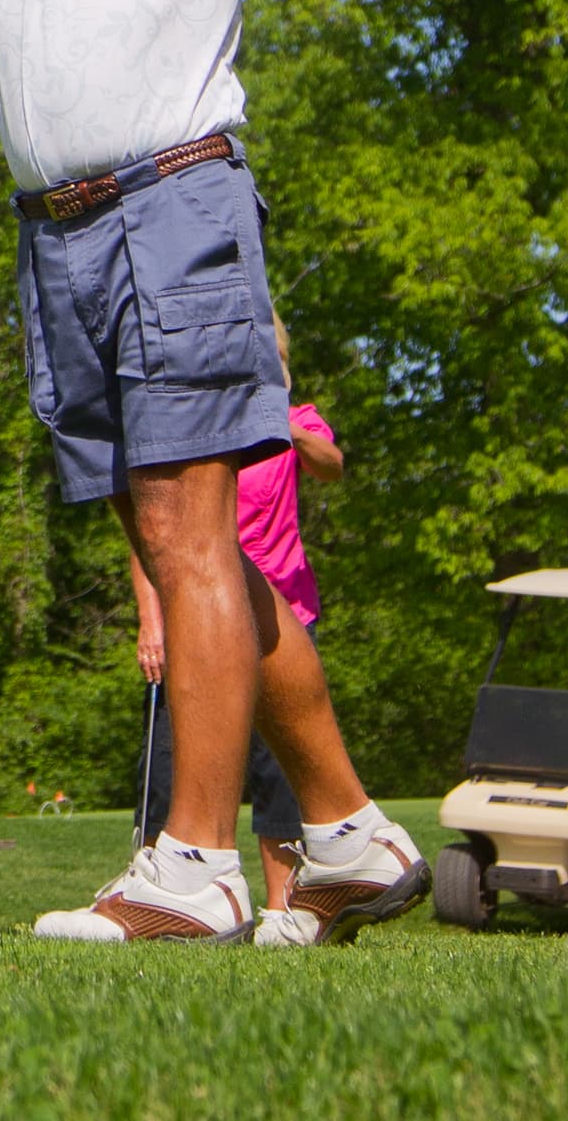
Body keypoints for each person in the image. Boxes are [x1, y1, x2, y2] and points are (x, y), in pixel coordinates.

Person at [0, 0, 437, 947]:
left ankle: (197, 860)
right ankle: (344, 828)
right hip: (58, 231)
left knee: (186, 528)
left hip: (176, 198)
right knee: (182, 537)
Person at [131, 316, 337, 913]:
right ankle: (160, 886)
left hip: (282, 616)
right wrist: (151, 617)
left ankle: (282, 907)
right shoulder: (200, 433)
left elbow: (332, 463)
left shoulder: (298, 422)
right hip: (195, 615)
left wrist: (282, 428)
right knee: (171, 756)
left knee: (277, 770)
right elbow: (154, 537)